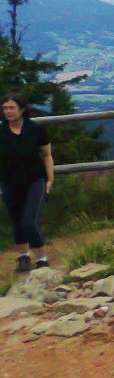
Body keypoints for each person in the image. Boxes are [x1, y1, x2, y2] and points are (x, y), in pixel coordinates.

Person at [0, 93, 54, 271]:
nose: (8, 111)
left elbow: (47, 156)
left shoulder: (36, 129)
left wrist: (50, 180)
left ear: (22, 109)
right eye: (5, 108)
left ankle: (42, 259)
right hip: (9, 181)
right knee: (17, 220)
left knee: (29, 220)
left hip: (35, 179)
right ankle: (23, 257)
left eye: (12, 107)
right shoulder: (1, 131)